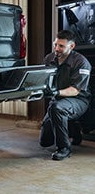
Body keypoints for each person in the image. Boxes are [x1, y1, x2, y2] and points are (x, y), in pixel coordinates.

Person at [39, 30, 92, 161]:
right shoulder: (49, 59)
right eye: (55, 44)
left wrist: (56, 92)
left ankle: (64, 149)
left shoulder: (81, 62)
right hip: (58, 100)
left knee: (57, 108)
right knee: (44, 142)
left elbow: (75, 90)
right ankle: (73, 130)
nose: (57, 49)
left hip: (79, 100)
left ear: (71, 46)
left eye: (61, 46)